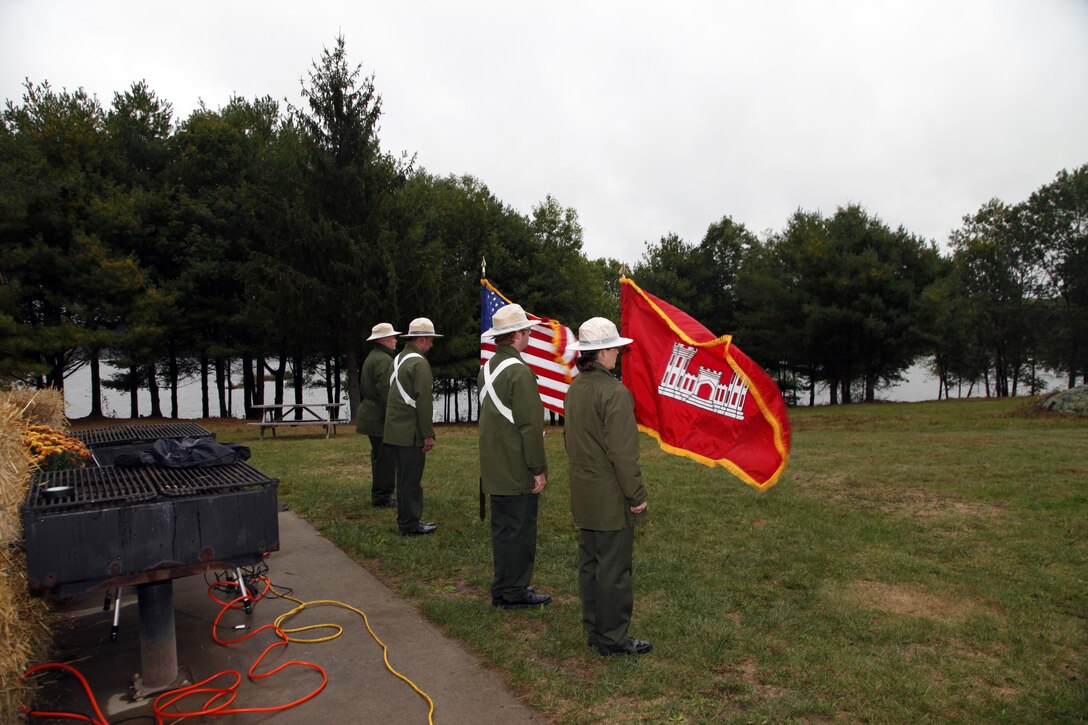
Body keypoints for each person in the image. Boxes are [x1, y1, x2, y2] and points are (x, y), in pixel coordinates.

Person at [564, 317, 651, 656]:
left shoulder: (575, 389)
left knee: (591, 564)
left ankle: (594, 628)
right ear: (600, 354)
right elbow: (623, 455)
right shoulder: (613, 392)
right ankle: (613, 637)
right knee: (614, 569)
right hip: (610, 495)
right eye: (614, 347)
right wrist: (637, 495)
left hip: (583, 492)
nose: (618, 352)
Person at [478, 304, 551, 609]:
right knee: (520, 531)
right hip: (517, 465)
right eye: (527, 330)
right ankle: (516, 591)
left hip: (495, 465)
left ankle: (502, 587)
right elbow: (529, 427)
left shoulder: (487, 368)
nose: (530, 333)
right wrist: (538, 468)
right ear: (518, 335)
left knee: (503, 531)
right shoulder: (520, 372)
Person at [384, 317, 442, 536]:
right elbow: (424, 402)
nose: (432, 345)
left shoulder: (399, 358)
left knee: (404, 479)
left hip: (396, 428)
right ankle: (410, 524)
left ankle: (406, 520)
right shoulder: (419, 363)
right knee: (411, 482)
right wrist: (427, 434)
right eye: (431, 340)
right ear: (423, 339)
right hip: (410, 432)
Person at [356, 322, 400, 509]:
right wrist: (394, 418)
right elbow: (386, 392)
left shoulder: (375, 356)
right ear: (383, 340)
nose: (395, 340)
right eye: (392, 337)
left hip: (373, 415)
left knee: (381, 456)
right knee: (385, 458)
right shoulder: (383, 360)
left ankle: (380, 494)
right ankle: (382, 497)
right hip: (379, 417)